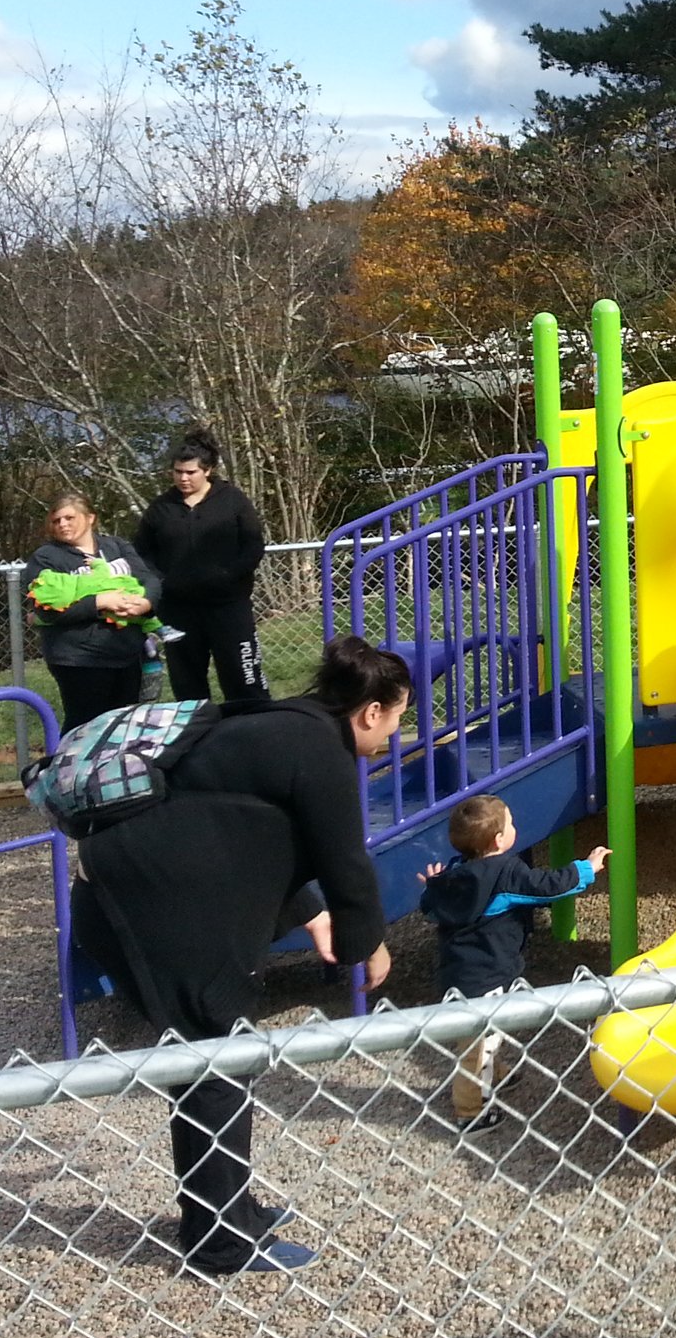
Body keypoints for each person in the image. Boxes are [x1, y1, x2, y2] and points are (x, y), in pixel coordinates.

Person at [71, 636, 410, 1277]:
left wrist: (312, 919)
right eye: (396, 719)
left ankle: (233, 1210)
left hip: (142, 895)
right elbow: (345, 860)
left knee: (223, 1059)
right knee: (213, 1066)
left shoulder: (279, 725)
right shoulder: (320, 749)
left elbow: (241, 829)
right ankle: (218, 1242)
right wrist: (368, 942)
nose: (394, 735)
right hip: (150, 910)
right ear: (370, 711)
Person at [419, 793, 608, 1128]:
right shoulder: (503, 872)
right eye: (511, 824)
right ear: (499, 839)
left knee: (483, 1033)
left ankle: (495, 1072)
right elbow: (546, 888)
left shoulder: (455, 871)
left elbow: (431, 902)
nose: (514, 827)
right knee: (479, 1043)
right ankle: (470, 1112)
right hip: (488, 974)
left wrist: (435, 885)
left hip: (458, 971)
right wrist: (587, 867)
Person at [137, 427, 269, 704]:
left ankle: (253, 728)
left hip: (229, 606)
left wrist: (227, 576)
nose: (183, 478)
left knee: (244, 678)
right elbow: (143, 553)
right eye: (177, 472)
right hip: (178, 610)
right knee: (187, 684)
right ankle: (197, 736)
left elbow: (253, 546)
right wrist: (162, 582)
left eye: (190, 472)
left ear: (207, 470)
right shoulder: (161, 507)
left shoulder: (232, 500)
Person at [22, 493, 163, 725]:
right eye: (56, 521)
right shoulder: (46, 558)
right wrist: (99, 602)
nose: (62, 525)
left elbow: (149, 580)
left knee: (123, 725)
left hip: (127, 653)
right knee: (85, 727)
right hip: (78, 658)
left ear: (90, 518)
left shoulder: (116, 547)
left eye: (69, 518)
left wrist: (146, 602)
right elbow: (45, 610)